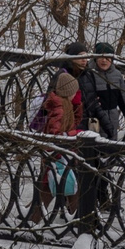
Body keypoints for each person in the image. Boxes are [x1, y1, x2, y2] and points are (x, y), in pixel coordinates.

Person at [30, 72, 84, 221]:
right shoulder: (60, 108)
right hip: (57, 156)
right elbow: (56, 134)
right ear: (68, 92)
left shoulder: (64, 105)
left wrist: (78, 105)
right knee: (60, 189)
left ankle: (33, 221)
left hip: (59, 156)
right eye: (75, 92)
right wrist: (76, 134)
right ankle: (82, 224)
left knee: (62, 188)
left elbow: (71, 122)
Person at [80, 41, 125, 141]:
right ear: (95, 58)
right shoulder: (89, 74)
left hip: (112, 123)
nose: (104, 60)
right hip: (94, 124)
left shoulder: (117, 75)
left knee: (111, 149)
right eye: (101, 57)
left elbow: (124, 103)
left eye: (107, 58)